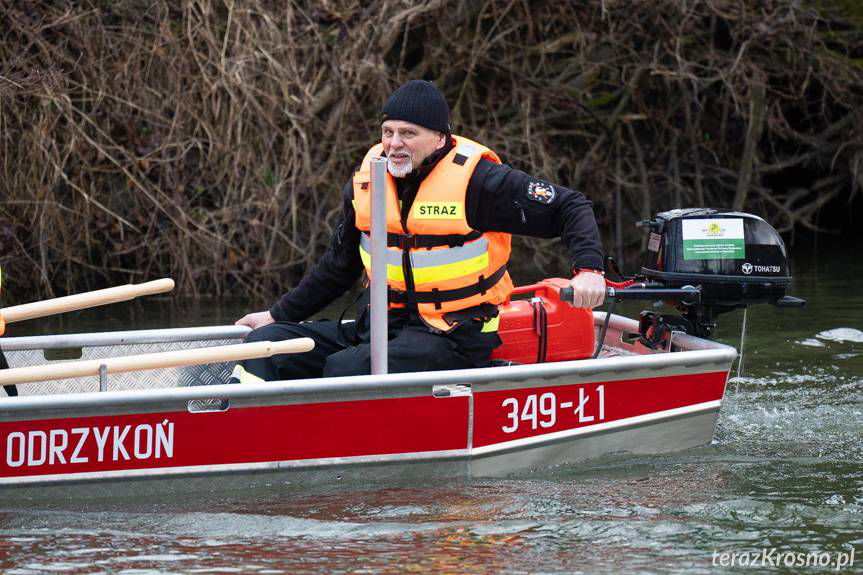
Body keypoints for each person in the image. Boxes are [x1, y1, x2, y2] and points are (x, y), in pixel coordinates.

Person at [234, 80, 605, 382]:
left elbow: (570, 206)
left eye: (408, 133)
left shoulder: (481, 183)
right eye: (388, 132)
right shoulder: (370, 182)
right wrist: (278, 313)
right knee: (268, 344)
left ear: (440, 139)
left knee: (346, 369)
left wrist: (589, 270)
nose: (394, 144)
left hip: (454, 337)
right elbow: (338, 266)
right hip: (381, 328)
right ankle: (237, 434)